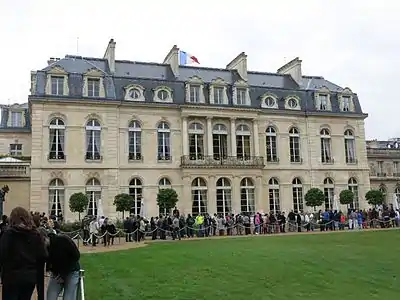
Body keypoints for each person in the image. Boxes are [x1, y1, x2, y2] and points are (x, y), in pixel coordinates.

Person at [0, 206, 47, 300]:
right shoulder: (35, 234)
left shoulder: (8, 234)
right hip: (29, 277)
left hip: (11, 277)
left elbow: (2, 255)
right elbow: (42, 255)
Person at [46, 232, 81, 300]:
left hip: (71, 271)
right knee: (50, 297)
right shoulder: (45, 247)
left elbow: (76, 256)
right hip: (56, 274)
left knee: (68, 297)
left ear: (46, 238)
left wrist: (63, 275)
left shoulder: (64, 240)